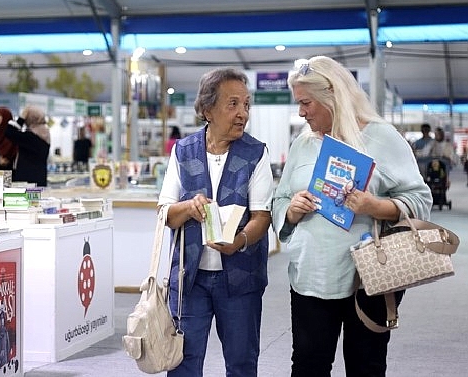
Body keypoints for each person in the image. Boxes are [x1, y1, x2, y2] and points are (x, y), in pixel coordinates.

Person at [272, 56, 432, 377]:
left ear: (332, 95)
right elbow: (281, 198)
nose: (301, 112)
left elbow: (420, 199)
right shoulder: (303, 143)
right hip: (310, 278)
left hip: (369, 277)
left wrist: (374, 207)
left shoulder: (382, 138)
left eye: (307, 103)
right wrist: (291, 209)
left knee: (366, 367)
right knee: (308, 366)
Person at [157, 68, 274, 376]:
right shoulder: (183, 151)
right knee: (182, 362)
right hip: (189, 279)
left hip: (240, 279)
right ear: (207, 109)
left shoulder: (256, 153)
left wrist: (239, 241)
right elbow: (166, 214)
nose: (242, 114)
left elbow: (262, 216)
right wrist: (188, 207)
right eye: (233, 104)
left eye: (246, 105)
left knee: (241, 363)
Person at [4, 105, 51, 186]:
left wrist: (21, 118)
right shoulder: (45, 134)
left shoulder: (31, 137)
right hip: (39, 180)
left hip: (28, 182)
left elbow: (10, 132)